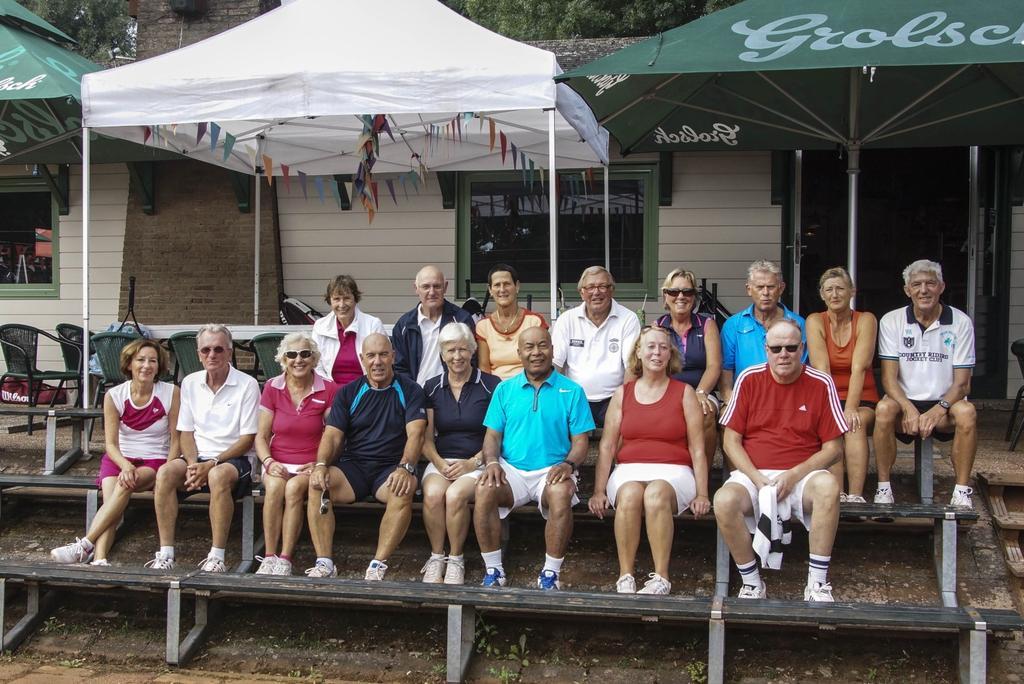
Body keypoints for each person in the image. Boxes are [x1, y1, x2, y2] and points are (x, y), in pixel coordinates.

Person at [714, 319, 847, 602]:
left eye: (790, 347)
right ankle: (751, 583)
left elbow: (834, 448)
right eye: (776, 348)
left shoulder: (821, 382)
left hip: (803, 476)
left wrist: (794, 474)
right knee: (724, 500)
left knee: (829, 487)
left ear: (802, 349)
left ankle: (817, 583)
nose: (783, 354)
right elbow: (730, 441)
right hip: (755, 473)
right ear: (766, 349)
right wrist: (756, 477)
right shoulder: (748, 378)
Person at [589, 326, 711, 595]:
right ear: (639, 353)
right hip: (628, 469)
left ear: (671, 355)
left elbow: (698, 449)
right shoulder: (623, 394)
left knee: (655, 494)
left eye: (663, 347)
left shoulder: (685, 392)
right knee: (631, 494)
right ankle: (626, 576)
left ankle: (661, 578)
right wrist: (598, 490)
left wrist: (703, 493)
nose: (657, 352)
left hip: (674, 472)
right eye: (651, 347)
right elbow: (608, 445)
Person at [474, 327, 594, 590]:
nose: (536, 352)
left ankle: (550, 574)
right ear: (519, 353)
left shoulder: (572, 391)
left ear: (552, 349)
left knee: (561, 494)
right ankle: (494, 570)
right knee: (484, 489)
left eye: (542, 346)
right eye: (529, 347)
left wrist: (568, 464)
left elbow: (581, 443)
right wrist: (492, 462)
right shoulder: (505, 390)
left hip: (553, 470)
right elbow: (492, 436)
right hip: (511, 471)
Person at [305, 333, 427, 580]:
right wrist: (321, 465)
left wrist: (405, 467)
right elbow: (332, 436)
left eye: (383, 354)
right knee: (318, 485)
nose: (377, 361)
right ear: (362, 359)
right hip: (354, 468)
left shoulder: (411, 390)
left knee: (405, 487)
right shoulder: (349, 392)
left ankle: (378, 564)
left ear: (393, 356)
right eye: (371, 356)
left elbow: (416, 434)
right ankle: (325, 562)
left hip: (390, 469)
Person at [50, 339, 180, 566]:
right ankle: (99, 560)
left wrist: (166, 472)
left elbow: (176, 439)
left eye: (152, 361)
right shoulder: (114, 395)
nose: (146, 366)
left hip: (154, 459)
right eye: (140, 360)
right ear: (129, 364)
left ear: (159, 366)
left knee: (123, 485)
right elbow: (110, 443)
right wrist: (126, 465)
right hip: (120, 459)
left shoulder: (171, 393)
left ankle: (84, 545)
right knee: (112, 503)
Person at [149, 324, 260, 572]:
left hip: (235, 459)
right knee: (166, 473)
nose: (212, 355)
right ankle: (166, 553)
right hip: (197, 457)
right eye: (206, 349)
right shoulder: (189, 382)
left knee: (217, 475)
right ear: (198, 354)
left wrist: (210, 464)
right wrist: (192, 464)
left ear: (230, 353)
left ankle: (217, 556)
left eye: (219, 349)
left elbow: (247, 439)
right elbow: (185, 431)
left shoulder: (248, 384)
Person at [873, 259, 977, 508]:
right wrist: (908, 408)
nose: (924, 290)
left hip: (945, 406)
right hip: (903, 404)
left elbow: (962, 384)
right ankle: (884, 488)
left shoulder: (960, 322)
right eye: (916, 284)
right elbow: (888, 378)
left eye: (930, 283)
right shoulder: (892, 320)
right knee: (884, 409)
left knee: (968, 412)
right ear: (907, 290)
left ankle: (961, 491)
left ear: (942, 287)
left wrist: (938, 409)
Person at [420, 323, 501, 584]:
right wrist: (439, 463)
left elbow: (498, 434)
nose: (457, 356)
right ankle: (436, 556)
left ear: (473, 351)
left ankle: (456, 558)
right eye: (451, 350)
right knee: (433, 494)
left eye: (463, 349)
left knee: (455, 496)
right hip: (442, 460)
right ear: (442, 354)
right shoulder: (431, 387)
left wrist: (473, 462)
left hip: (479, 461)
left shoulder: (491, 385)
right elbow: (426, 438)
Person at [253, 333, 338, 575]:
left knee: (292, 490)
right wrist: (268, 462)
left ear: (314, 358)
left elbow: (334, 435)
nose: (298, 360)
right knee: (275, 488)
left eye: (304, 354)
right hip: (277, 460)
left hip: (309, 464)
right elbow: (260, 436)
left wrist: (321, 463)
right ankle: (269, 556)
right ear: (283, 359)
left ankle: (285, 558)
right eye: (291, 354)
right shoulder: (272, 387)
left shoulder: (328, 389)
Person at [806, 267, 878, 503]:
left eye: (840, 288)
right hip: (828, 396)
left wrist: (850, 408)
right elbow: (821, 369)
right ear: (822, 294)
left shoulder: (866, 320)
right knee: (834, 428)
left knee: (853, 425)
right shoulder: (815, 320)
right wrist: (837, 410)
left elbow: (860, 366)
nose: (835, 294)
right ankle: (836, 494)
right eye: (829, 290)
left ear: (852, 291)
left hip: (861, 397)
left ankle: (856, 495)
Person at [552, 266, 640, 427]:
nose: (596, 292)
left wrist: (622, 403)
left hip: (612, 399)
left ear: (611, 290)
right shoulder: (566, 320)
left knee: (626, 428)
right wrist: (554, 400)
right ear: (582, 293)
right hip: (573, 398)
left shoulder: (628, 318)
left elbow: (632, 367)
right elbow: (555, 364)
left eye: (602, 286)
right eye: (590, 287)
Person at [655, 267, 723, 461]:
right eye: (674, 292)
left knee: (707, 412)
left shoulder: (707, 324)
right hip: (667, 391)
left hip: (701, 390)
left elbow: (714, 366)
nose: (681, 297)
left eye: (688, 291)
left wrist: (700, 393)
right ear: (665, 295)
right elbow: (654, 368)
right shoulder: (658, 327)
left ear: (694, 297)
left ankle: (703, 474)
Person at [720, 260, 806, 404]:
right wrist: (732, 402)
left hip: (788, 399)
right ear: (748, 289)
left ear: (781, 288)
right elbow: (726, 371)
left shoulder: (798, 324)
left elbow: (800, 370)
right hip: (744, 400)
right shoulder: (733, 325)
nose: (765, 293)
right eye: (759, 287)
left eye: (771, 287)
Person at [391, 265, 477, 385]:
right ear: (416, 288)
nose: (432, 292)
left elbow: (471, 359)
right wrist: (412, 393)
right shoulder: (404, 325)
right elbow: (400, 368)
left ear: (445, 287)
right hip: (415, 393)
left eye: (437, 286)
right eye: (426, 287)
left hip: (453, 392)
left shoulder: (461, 320)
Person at [476, 263, 547, 380]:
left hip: (529, 387)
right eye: (497, 285)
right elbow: (484, 369)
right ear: (490, 290)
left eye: (507, 284)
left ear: (517, 286)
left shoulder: (534, 322)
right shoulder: (483, 326)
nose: (502, 289)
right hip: (497, 390)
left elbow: (542, 364)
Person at [311, 274, 386, 385]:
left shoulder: (373, 324)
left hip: (366, 389)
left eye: (346, 298)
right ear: (330, 301)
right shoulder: (320, 326)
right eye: (336, 299)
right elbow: (316, 365)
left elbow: (383, 362)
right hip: (331, 392)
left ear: (355, 299)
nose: (342, 304)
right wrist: (331, 390)